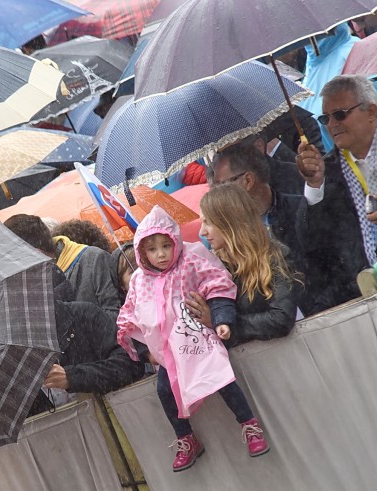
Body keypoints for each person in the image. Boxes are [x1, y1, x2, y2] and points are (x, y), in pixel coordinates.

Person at [117, 206, 269, 472]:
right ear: (142, 252)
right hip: (166, 350)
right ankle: (186, 438)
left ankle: (250, 425)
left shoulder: (192, 258)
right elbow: (130, 319)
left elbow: (218, 288)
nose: (161, 254)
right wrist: (145, 352)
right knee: (164, 390)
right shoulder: (140, 280)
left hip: (195, 337)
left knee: (220, 378)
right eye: (152, 249)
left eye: (166, 245)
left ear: (175, 241)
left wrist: (222, 320)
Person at [297, 75, 377, 306]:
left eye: (340, 114)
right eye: (325, 118)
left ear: (371, 111)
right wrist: (315, 186)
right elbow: (313, 243)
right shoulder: (327, 170)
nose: (332, 124)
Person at [209, 143, 328, 315]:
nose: (217, 194)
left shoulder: (299, 211)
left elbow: (325, 266)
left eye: (221, 186)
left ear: (248, 180)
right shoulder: (228, 238)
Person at [191, 183, 299, 347]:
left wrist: (222, 322)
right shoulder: (212, 268)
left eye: (208, 223)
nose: (202, 232)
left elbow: (281, 319)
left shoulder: (275, 256)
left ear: (229, 222)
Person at [29, 267, 146, 414]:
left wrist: (73, 377)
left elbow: (131, 364)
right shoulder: (12, 352)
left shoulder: (85, 315)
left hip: (119, 417)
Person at [4, 214, 122, 318]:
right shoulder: (30, 287)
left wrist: (82, 318)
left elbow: (118, 316)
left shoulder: (93, 258)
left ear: (35, 253)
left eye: (17, 259)